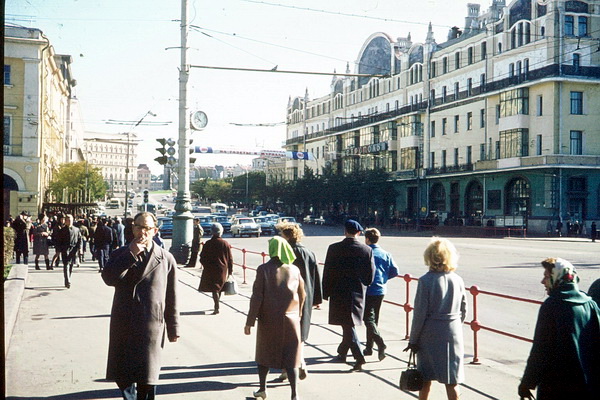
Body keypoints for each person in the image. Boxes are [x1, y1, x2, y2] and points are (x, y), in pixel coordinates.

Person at [102, 212, 180, 400]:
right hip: (124, 323)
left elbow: (172, 296)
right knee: (124, 378)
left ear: (154, 231)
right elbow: (109, 278)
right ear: (132, 228)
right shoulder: (119, 254)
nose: (142, 232)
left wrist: (173, 327)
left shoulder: (166, 259)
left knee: (147, 379)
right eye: (139, 227)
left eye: (147, 228)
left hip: (150, 325)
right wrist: (131, 255)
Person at [518, 258, 600, 399]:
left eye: (546, 276)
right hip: (587, 386)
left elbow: (540, 350)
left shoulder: (552, 306)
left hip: (556, 387)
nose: (542, 281)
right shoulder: (590, 305)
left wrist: (527, 382)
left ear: (558, 278)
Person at [404, 237, 467, 400]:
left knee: (424, 378)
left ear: (429, 257)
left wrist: (413, 340)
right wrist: (453, 325)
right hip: (452, 333)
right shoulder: (458, 280)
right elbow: (464, 310)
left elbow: (419, 314)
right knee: (451, 380)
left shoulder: (425, 281)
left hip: (429, 334)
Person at [244, 236, 306, 400]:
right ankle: (294, 394)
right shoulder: (294, 269)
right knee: (292, 358)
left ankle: (262, 389)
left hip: (269, 319)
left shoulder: (263, 269)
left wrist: (250, 322)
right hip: (292, 320)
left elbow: (257, 297)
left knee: (264, 355)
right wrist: (298, 313)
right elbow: (302, 294)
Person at [322, 219, 375, 371]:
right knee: (348, 323)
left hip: (339, 292)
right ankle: (342, 352)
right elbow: (370, 276)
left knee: (347, 324)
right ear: (358, 232)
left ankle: (359, 357)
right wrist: (364, 285)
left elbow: (328, 272)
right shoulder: (366, 250)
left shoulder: (334, 248)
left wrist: (325, 292)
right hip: (357, 292)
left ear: (344, 231)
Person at [278, 222, 321, 380]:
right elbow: (315, 276)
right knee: (300, 333)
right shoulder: (309, 252)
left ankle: (294, 365)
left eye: (282, 234)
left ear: (287, 235)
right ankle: (297, 363)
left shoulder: (285, 252)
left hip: (289, 297)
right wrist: (316, 298)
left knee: (286, 334)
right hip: (307, 297)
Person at [362, 227, 399, 361]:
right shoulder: (385, 254)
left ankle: (380, 343)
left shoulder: (366, 252)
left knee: (368, 319)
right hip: (381, 290)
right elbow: (395, 271)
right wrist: (383, 279)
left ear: (367, 239)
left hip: (368, 290)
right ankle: (369, 347)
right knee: (374, 320)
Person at [198, 223, 233, 314]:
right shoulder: (225, 243)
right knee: (219, 287)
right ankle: (217, 304)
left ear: (212, 232)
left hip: (210, 268)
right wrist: (230, 271)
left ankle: (217, 306)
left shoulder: (208, 243)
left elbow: (202, 257)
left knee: (215, 288)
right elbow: (230, 258)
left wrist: (206, 266)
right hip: (222, 269)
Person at [53, 214, 82, 288]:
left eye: (70, 220)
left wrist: (80, 249)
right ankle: (67, 280)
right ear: (65, 221)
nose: (69, 221)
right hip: (65, 249)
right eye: (67, 220)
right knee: (66, 264)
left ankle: (68, 277)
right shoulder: (62, 230)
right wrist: (58, 250)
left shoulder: (76, 229)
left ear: (72, 221)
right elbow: (58, 241)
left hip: (73, 249)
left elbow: (79, 240)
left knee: (71, 265)